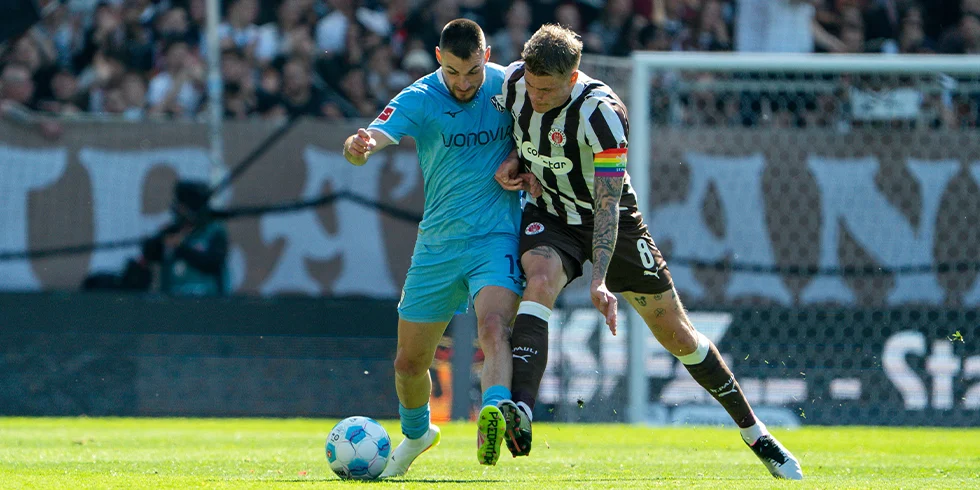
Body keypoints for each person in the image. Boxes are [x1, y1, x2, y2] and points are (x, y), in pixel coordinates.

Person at [493, 24, 804, 480]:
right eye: (533, 86)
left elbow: (606, 205)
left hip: (612, 221)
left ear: (574, 75)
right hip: (553, 216)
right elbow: (514, 132)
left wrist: (598, 278)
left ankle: (756, 434)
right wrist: (514, 160)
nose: (536, 96)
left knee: (676, 333)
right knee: (538, 280)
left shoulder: (603, 114)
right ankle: (521, 410)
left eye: (548, 90)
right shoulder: (515, 83)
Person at [342, 19, 535, 477]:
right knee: (410, 364)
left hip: (496, 238)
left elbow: (542, 133)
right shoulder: (420, 97)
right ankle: (417, 434)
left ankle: (494, 410)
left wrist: (519, 161)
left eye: (471, 71)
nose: (463, 83)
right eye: (452, 71)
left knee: (493, 327)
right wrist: (359, 147)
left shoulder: (510, 88)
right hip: (438, 247)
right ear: (437, 59)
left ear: (486, 57)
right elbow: (371, 139)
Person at [141, 179, 229, 296]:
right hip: (173, 301)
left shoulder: (214, 232)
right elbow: (150, 253)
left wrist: (181, 248)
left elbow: (212, 262)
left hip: (208, 300)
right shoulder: (172, 231)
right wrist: (159, 240)